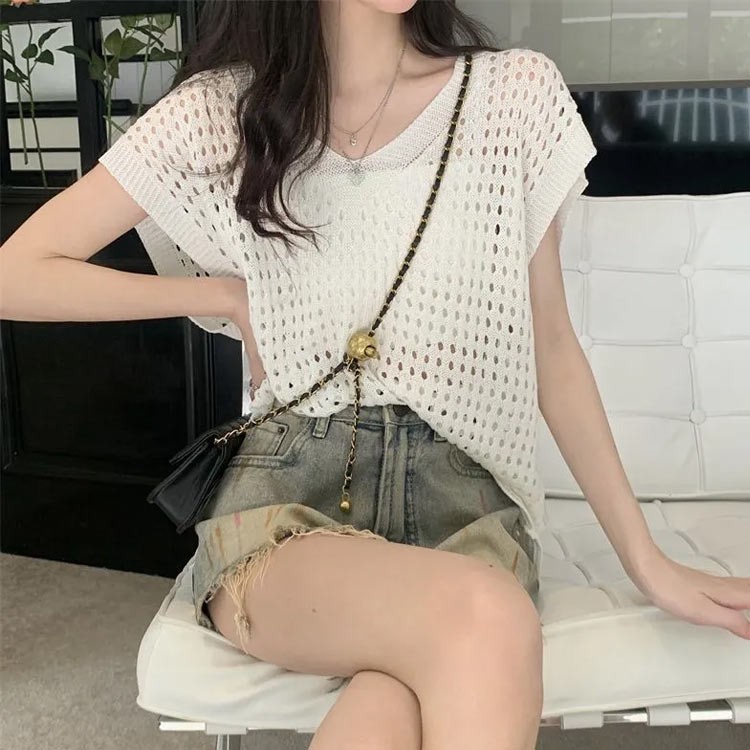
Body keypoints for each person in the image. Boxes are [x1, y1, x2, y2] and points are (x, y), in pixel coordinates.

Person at [2, 2, 749, 749]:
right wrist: (221, 296)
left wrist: (647, 563)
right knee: (483, 618)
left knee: (389, 702)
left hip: (466, 506)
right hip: (288, 498)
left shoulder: (512, 98)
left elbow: (551, 347)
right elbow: (17, 273)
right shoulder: (219, 115)